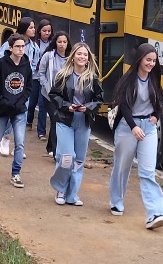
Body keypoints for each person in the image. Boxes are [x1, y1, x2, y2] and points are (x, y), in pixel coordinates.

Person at [108, 43, 163, 230]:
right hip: (127, 127)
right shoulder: (129, 80)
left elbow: (160, 102)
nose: (151, 64)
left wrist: (155, 117)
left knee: (148, 171)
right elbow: (124, 105)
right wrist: (133, 126)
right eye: (148, 60)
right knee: (122, 167)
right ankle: (116, 201)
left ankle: (156, 213)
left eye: (154, 61)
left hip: (148, 128)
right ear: (140, 60)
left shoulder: (154, 79)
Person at [48, 42, 103, 207]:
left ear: (88, 59)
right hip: (65, 120)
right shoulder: (63, 75)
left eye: (85, 55)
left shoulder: (92, 78)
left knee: (78, 160)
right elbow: (54, 95)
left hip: (83, 121)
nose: (82, 57)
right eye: (79, 54)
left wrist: (88, 107)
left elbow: (99, 100)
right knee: (66, 157)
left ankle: (72, 194)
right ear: (73, 57)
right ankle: (60, 189)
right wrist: (67, 106)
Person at [0, 33, 33, 189]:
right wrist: (2, 101)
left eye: (23, 46)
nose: (20, 49)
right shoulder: (0, 65)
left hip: (19, 110)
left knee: (20, 143)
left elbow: (29, 88)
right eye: (17, 46)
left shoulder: (26, 65)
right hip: (1, 109)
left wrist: (20, 101)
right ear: (10, 48)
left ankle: (15, 173)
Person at [0, 17, 39, 156]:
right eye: (31, 27)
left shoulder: (34, 47)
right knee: (10, 112)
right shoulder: (11, 43)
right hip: (10, 85)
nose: (34, 30)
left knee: (23, 114)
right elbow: (0, 61)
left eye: (34, 27)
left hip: (24, 86)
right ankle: (5, 138)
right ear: (24, 28)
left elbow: (34, 66)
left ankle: (18, 146)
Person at [38, 31, 71, 158]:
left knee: (57, 120)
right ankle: (56, 152)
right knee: (55, 118)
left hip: (64, 96)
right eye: (59, 42)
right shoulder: (49, 56)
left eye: (64, 42)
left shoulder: (71, 58)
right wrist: (47, 87)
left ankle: (50, 146)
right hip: (49, 96)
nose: (62, 44)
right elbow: (41, 73)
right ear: (55, 43)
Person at [30, 19, 53, 137]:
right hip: (35, 76)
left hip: (46, 78)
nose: (47, 33)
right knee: (32, 102)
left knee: (42, 103)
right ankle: (29, 120)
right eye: (44, 31)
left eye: (49, 31)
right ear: (39, 31)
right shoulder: (35, 43)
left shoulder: (53, 44)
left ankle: (41, 132)